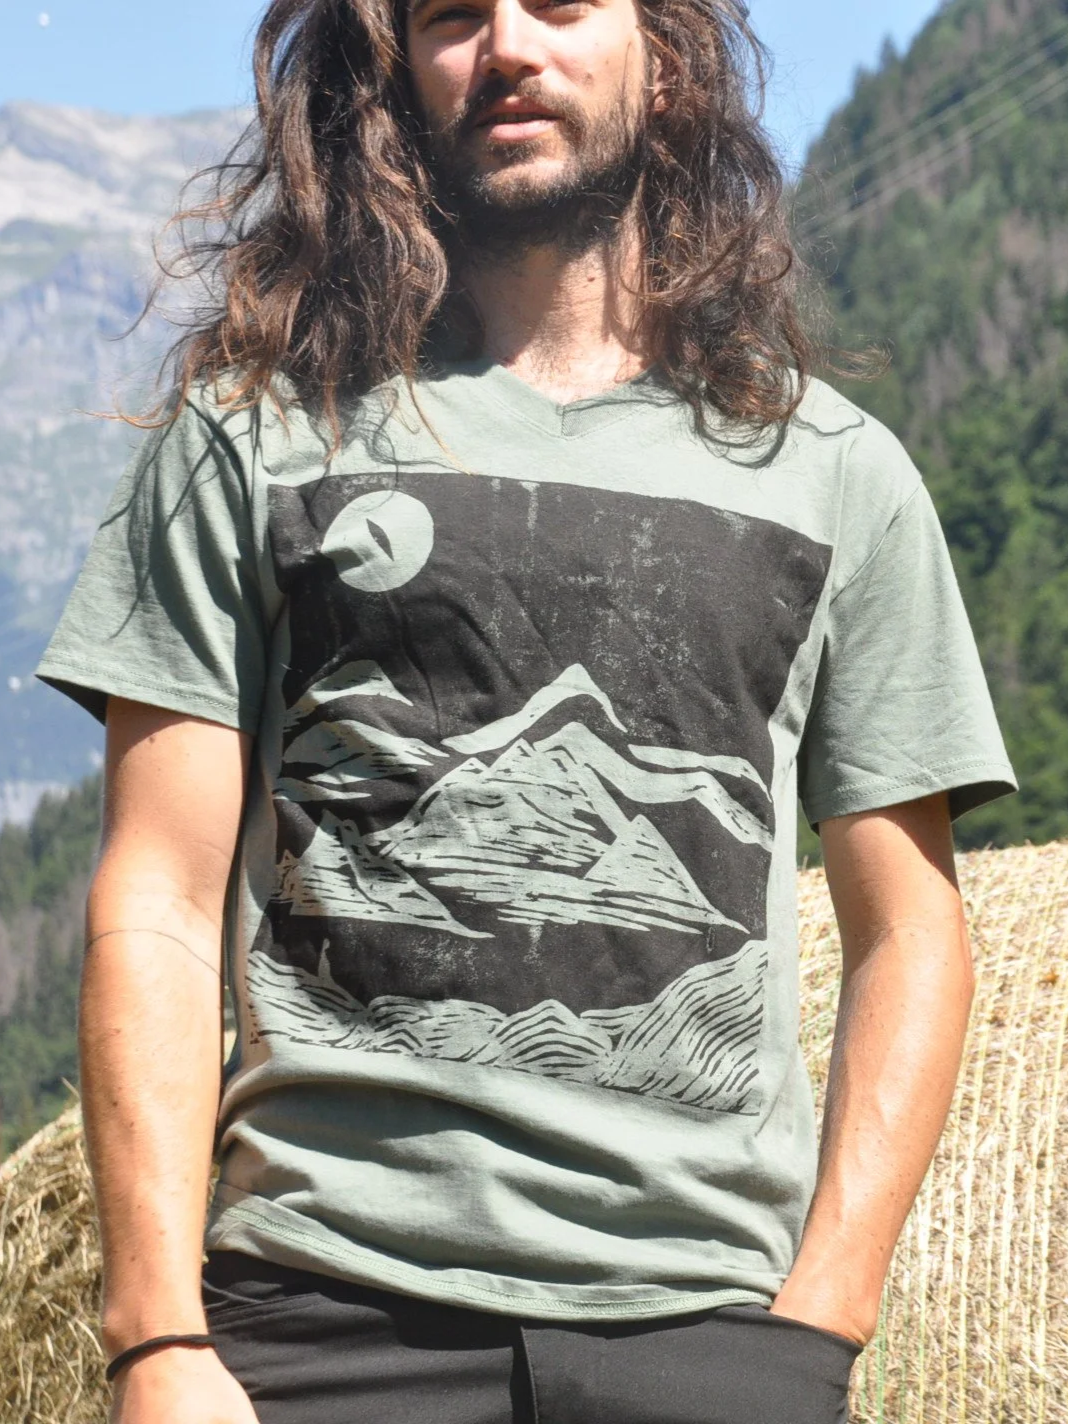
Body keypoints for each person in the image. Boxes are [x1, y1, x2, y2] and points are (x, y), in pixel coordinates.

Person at [37, 0, 1017, 1420]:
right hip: (317, 1324)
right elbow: (161, 900)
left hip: (715, 1332)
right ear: (392, 75)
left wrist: (817, 1325)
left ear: (661, 54)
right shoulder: (247, 435)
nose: (506, 45)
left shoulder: (836, 475)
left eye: (560, 3)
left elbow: (913, 931)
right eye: (451, 14)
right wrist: (156, 1340)